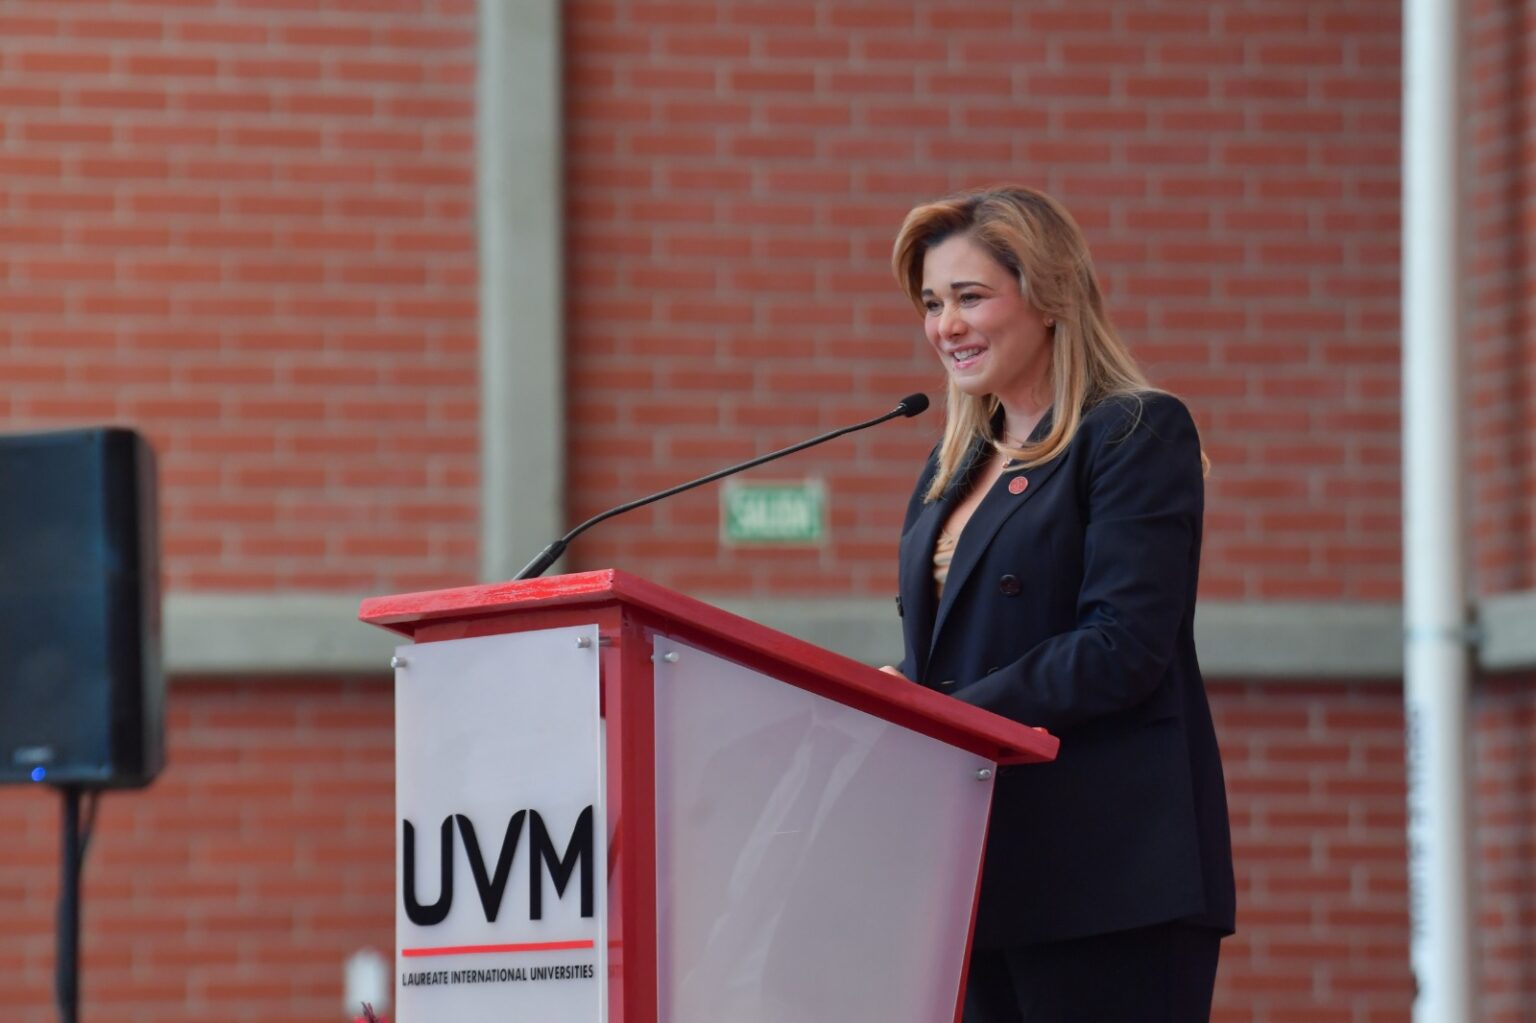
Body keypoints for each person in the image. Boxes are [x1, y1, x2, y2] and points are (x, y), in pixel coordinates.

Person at [882, 186, 1235, 1022]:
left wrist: (943, 714)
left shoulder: (1134, 432)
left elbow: (1122, 646)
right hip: (976, 866)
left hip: (1106, 874)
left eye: (970, 297)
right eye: (932, 303)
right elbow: (951, 650)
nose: (946, 326)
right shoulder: (952, 465)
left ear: (1048, 296)